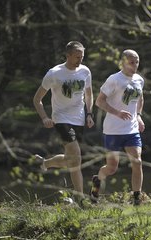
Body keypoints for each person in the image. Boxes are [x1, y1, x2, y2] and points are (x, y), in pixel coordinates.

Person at [33, 41, 94, 203]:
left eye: (82, 57)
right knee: (77, 157)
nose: (79, 60)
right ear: (67, 55)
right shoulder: (54, 73)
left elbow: (88, 94)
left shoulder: (85, 71)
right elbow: (37, 99)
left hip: (79, 119)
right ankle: (81, 199)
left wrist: (89, 113)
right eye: (76, 57)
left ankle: (46, 163)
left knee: (71, 159)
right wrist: (45, 117)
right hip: (61, 119)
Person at [90, 49, 145, 205]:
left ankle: (137, 198)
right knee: (112, 168)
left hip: (132, 129)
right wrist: (117, 112)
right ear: (123, 62)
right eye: (131, 62)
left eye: (137, 62)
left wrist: (139, 116)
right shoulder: (114, 79)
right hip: (113, 130)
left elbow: (140, 98)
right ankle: (96, 185)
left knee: (137, 161)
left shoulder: (139, 80)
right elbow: (99, 102)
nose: (135, 65)